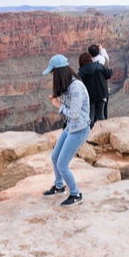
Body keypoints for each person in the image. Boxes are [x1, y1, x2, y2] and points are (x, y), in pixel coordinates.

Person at [42, 54, 91, 207]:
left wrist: (58, 105)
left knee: (62, 164)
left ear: (59, 72)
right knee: (55, 157)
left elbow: (74, 114)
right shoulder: (69, 85)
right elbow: (71, 109)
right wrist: (60, 100)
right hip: (71, 127)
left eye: (52, 73)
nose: (52, 76)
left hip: (79, 129)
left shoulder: (76, 87)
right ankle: (59, 186)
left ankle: (76, 194)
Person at [78, 52, 112, 128]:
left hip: (90, 97)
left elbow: (79, 85)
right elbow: (108, 74)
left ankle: (90, 134)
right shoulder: (99, 66)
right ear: (90, 58)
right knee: (101, 115)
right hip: (101, 94)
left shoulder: (81, 72)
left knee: (91, 116)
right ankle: (103, 133)